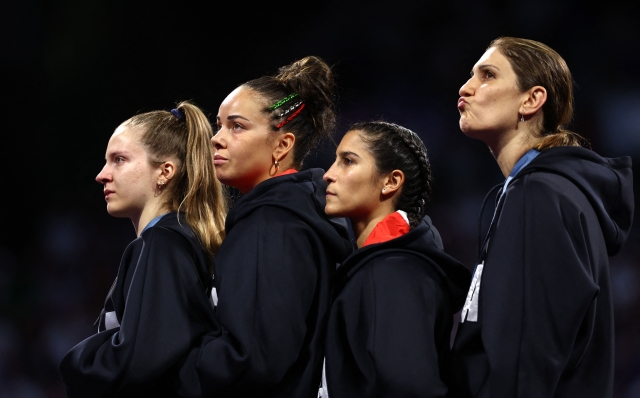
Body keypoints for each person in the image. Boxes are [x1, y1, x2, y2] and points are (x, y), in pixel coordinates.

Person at [450, 37, 634, 398]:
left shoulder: (537, 195)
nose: (466, 87)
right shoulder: (544, 191)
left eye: (487, 75)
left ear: (532, 100)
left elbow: (525, 360)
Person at [177, 56, 353, 398]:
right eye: (219, 124)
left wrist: (175, 370)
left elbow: (252, 357)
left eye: (237, 126)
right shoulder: (302, 212)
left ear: (282, 145)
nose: (216, 138)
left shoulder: (271, 222)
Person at [59, 102, 227, 397]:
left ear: (165, 171)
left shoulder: (163, 243)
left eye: (119, 160)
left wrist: (76, 363)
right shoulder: (180, 239)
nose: (102, 174)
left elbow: (140, 358)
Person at [319, 121, 471, 398]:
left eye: (348, 161)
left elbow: (410, 388)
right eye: (334, 161)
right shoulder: (387, 264)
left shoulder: (391, 271)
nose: (328, 175)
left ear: (391, 182)